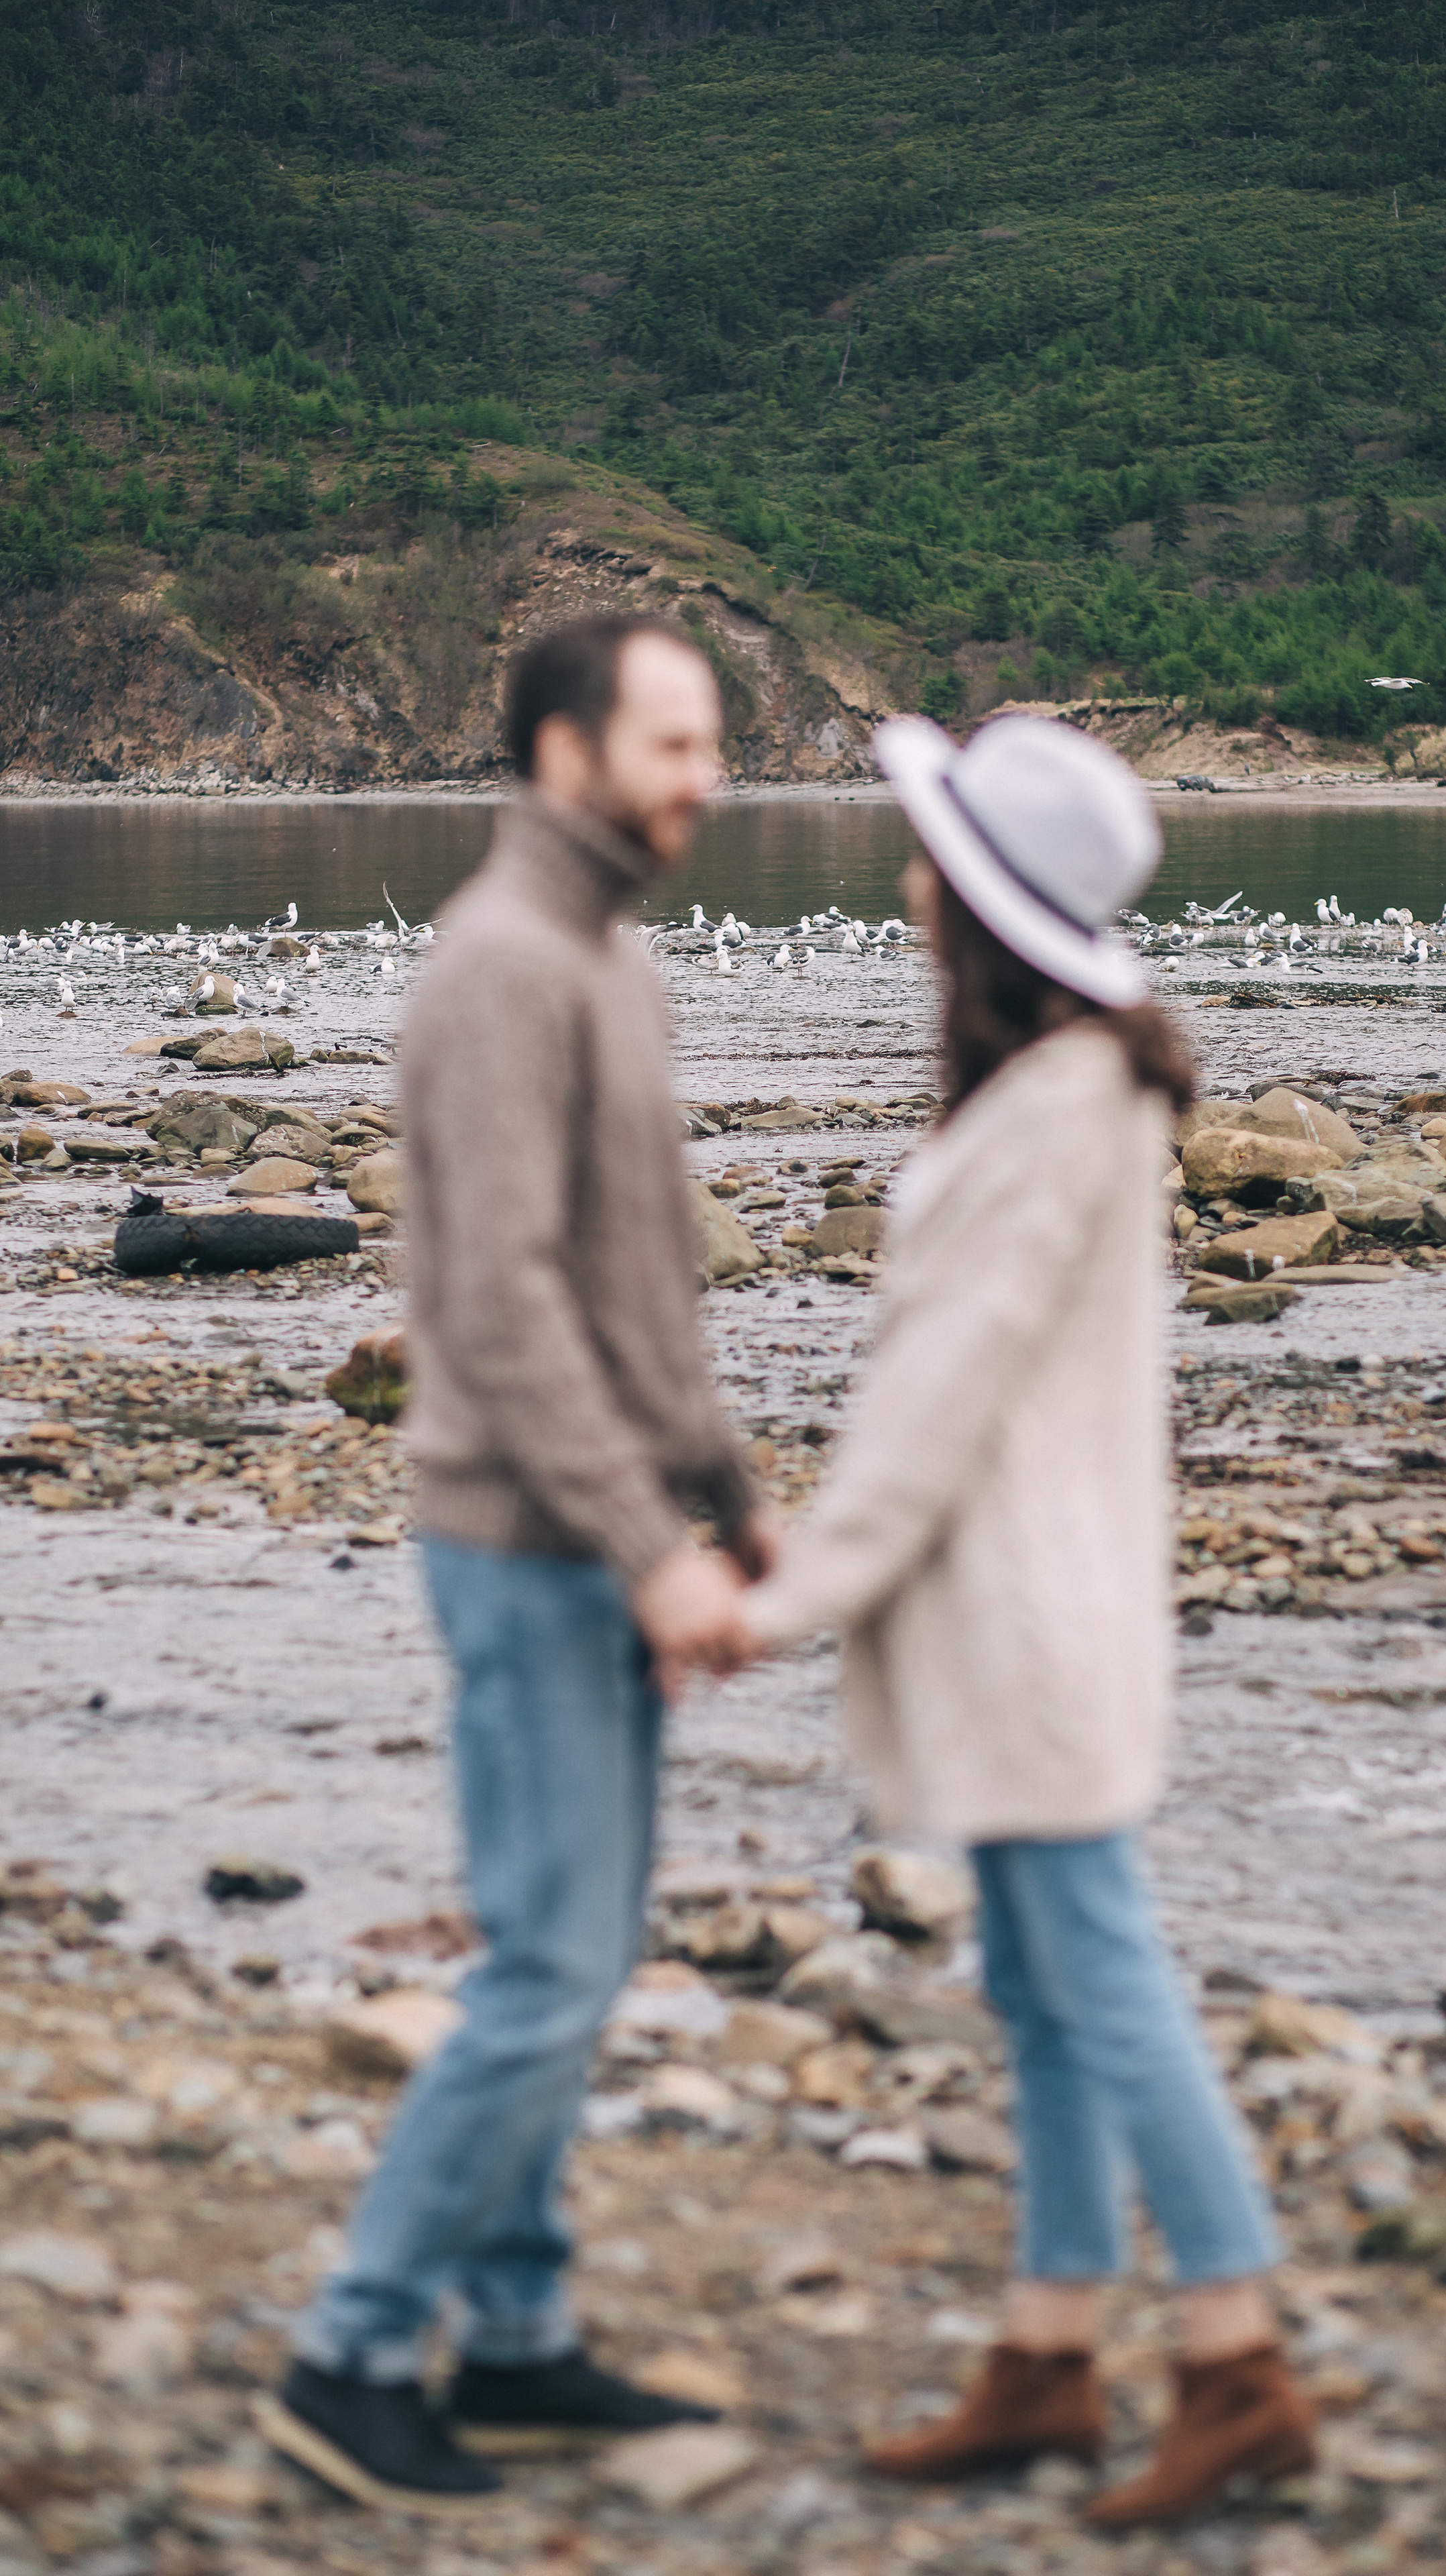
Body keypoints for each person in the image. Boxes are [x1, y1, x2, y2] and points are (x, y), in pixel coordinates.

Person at [728, 714, 1317, 2530]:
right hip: (1031, 1603)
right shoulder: (1061, 1083)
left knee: (1104, 1980)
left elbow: (942, 1399)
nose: (912, 879)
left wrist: (787, 1594)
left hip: (1028, 1615)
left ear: (982, 902)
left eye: (937, 856)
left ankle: (1238, 2360)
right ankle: (1051, 2353)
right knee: (1043, 1987)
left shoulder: (1062, 1104)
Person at [260, 615, 772, 2510]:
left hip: (606, 1529)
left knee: (576, 1949)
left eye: (712, 743)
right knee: (552, 1966)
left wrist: (725, 1496)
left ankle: (521, 2336)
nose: (708, 777)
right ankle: (352, 2353)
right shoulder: (497, 967)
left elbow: (644, 1282)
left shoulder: (609, 957)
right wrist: (648, 1546)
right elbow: (495, 1301)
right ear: (566, 752)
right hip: (529, 1541)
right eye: (675, 742)